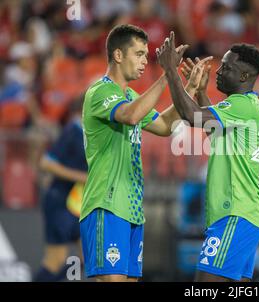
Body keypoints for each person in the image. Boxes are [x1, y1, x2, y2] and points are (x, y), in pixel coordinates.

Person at [80, 24, 203, 282]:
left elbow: (166, 126)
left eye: (146, 55)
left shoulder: (131, 95)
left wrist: (187, 88)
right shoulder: (100, 91)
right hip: (107, 203)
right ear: (118, 55)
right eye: (138, 54)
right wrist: (168, 74)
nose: (144, 61)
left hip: (132, 208)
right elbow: (131, 115)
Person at [156, 32, 259, 282]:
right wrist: (201, 92)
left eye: (226, 67)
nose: (218, 71)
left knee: (205, 285)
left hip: (236, 214)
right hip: (243, 215)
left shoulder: (242, 105)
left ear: (244, 76)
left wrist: (170, 71)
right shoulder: (246, 107)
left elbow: (191, 116)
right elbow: (211, 128)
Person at [33, 99, 87, 282]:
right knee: (56, 260)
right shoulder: (73, 131)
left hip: (78, 205)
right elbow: (46, 163)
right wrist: (81, 177)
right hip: (60, 201)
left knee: (88, 256)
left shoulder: (91, 134)